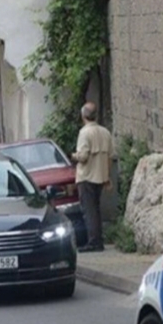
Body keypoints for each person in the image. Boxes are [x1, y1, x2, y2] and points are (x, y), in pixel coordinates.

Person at [71, 102, 113, 253]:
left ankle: (94, 241)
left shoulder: (84, 133)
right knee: (95, 208)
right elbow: (109, 156)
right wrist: (107, 177)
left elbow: (83, 157)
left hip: (87, 176)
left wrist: (73, 156)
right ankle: (98, 239)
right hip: (100, 175)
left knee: (89, 210)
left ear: (83, 116)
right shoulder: (105, 132)